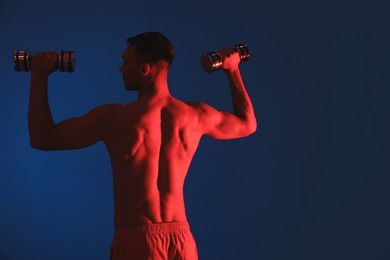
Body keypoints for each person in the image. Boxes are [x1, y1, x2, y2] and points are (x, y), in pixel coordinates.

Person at [28, 32, 257, 260]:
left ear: (144, 69)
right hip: (182, 242)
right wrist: (233, 70)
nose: (121, 69)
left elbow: (43, 138)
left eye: (126, 62)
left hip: (139, 242)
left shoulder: (115, 118)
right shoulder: (195, 116)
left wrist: (39, 75)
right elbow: (247, 124)